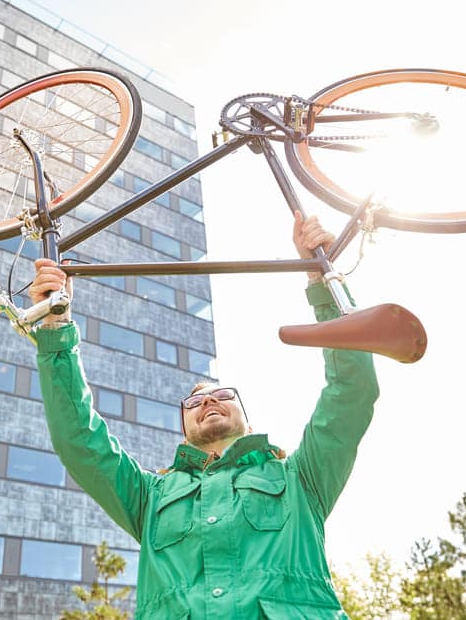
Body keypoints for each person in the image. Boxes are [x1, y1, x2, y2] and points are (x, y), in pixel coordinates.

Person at [28, 212, 379, 619]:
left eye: (221, 395)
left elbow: (351, 392)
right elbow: (80, 441)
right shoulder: (148, 497)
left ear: (249, 418)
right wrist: (55, 327)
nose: (208, 402)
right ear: (183, 430)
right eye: (194, 402)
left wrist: (322, 279)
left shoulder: (302, 478)